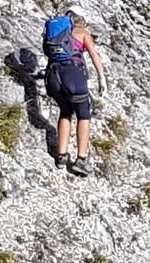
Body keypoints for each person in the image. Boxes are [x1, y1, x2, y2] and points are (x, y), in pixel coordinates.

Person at [43, 10, 107, 177]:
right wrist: (101, 77)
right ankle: (81, 160)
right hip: (73, 75)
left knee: (65, 111)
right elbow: (93, 54)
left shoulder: (55, 34)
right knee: (83, 113)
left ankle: (61, 156)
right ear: (80, 22)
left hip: (53, 76)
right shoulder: (82, 32)